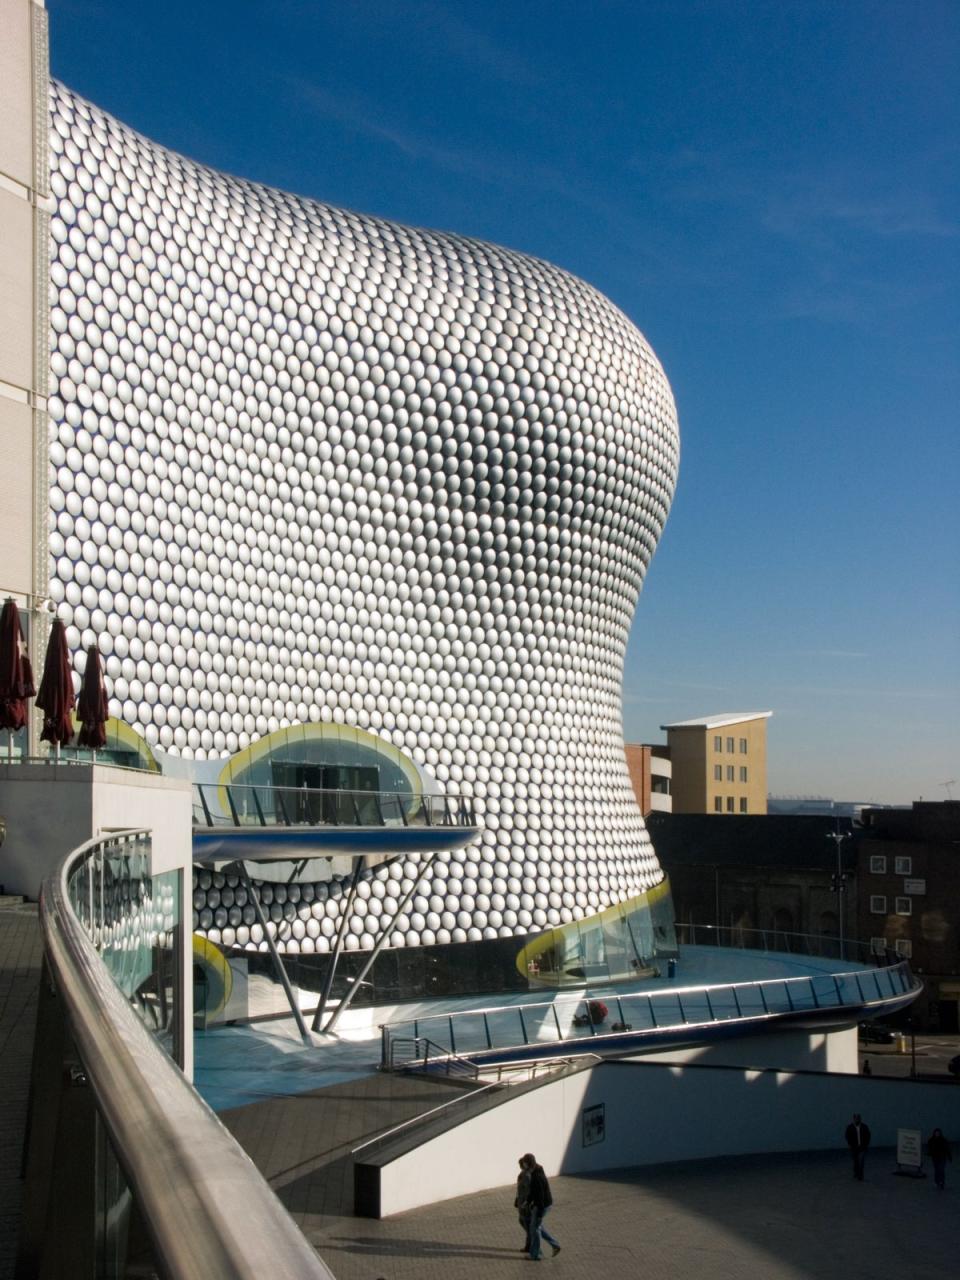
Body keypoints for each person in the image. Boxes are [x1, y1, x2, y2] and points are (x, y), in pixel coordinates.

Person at [520, 1153, 561, 1260]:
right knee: (537, 1227)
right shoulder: (536, 1171)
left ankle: (536, 1255)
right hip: (542, 1204)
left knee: (535, 1229)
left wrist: (539, 1213)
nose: (523, 1164)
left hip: (541, 1206)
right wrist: (527, 1201)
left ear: (527, 1163)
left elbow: (539, 1196)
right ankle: (555, 1245)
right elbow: (534, 1192)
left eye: (524, 1162)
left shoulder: (536, 1176)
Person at [844, 1113, 871, 1181]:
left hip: (862, 1147)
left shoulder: (864, 1127)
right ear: (854, 1119)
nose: (857, 1120)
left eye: (858, 1118)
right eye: (856, 1119)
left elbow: (868, 1136)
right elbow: (847, 1136)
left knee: (861, 1161)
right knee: (856, 1161)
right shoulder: (850, 1127)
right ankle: (856, 1172)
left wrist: (866, 1145)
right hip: (854, 1148)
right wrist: (850, 1145)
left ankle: (860, 1176)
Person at [514, 1157, 532, 1252]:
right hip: (521, 1201)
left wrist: (526, 1202)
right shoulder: (522, 1174)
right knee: (523, 1221)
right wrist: (517, 1199)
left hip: (525, 1203)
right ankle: (530, 1240)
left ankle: (529, 1245)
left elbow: (529, 1190)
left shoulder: (527, 1175)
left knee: (525, 1222)